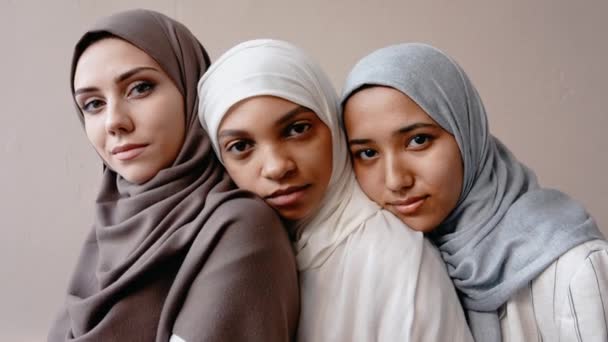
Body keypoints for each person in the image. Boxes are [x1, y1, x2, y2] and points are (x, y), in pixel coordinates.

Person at [198, 39, 473, 341]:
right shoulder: (242, 253)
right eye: (241, 147)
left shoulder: (397, 261)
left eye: (296, 129)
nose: (277, 167)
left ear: (332, 123)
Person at [48, 10, 298, 342]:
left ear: (191, 90)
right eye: (93, 104)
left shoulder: (240, 226)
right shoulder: (111, 224)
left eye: (139, 88)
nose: (114, 121)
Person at [341, 42, 608, 341]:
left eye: (418, 140)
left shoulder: (575, 267)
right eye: (367, 153)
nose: (395, 180)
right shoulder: (398, 262)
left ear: (468, 134)